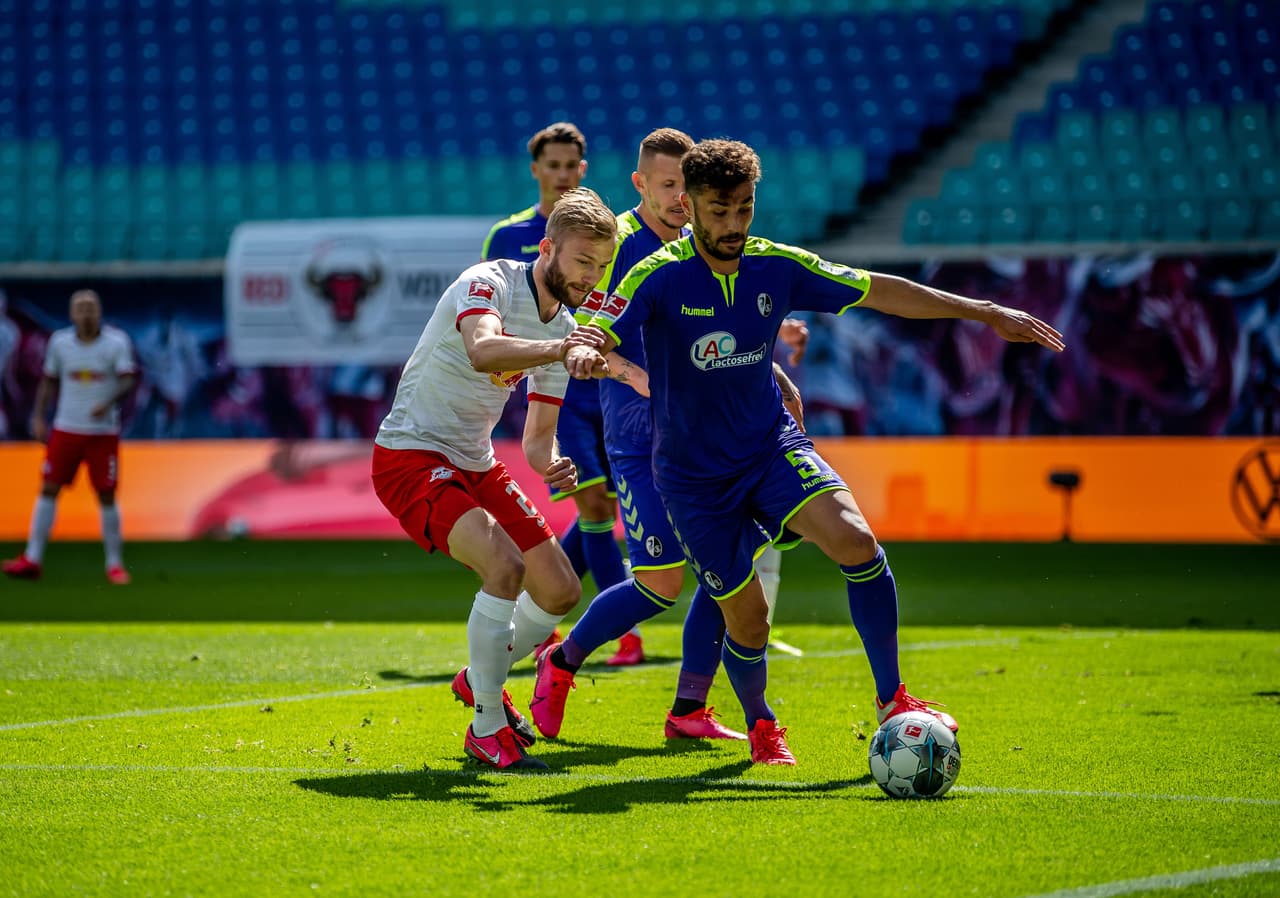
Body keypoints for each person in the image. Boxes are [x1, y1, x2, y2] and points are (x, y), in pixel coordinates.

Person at [565, 139, 1065, 764]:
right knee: (748, 620)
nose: (732, 226)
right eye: (718, 212)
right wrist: (585, 349)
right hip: (692, 479)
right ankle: (760, 721)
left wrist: (983, 311)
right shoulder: (655, 275)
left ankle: (894, 699)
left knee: (858, 543)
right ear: (689, 206)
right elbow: (598, 326)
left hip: (770, 447)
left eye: (744, 210)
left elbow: (879, 289)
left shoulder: (776, 265)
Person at [530, 128, 808, 743]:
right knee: (660, 583)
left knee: (728, 568)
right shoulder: (619, 245)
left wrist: (773, 370)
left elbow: (722, 334)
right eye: (669, 186)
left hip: (705, 436)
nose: (683, 197)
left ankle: (688, 710)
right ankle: (562, 660)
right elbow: (590, 340)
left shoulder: (698, 245)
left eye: (689, 186)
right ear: (641, 185)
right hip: (639, 437)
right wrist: (635, 374)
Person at [370, 187, 630, 771]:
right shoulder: (488, 281)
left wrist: (553, 462)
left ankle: (478, 677)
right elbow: (484, 351)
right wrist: (561, 349)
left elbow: (537, 441)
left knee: (561, 590)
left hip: (475, 459)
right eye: (583, 261)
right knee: (505, 568)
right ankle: (487, 726)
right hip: (409, 454)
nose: (593, 276)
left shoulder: (563, 323)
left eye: (602, 265)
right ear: (548, 248)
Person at [482, 121, 634, 665]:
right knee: (594, 501)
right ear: (537, 171)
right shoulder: (507, 238)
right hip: (557, 385)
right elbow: (488, 319)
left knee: (600, 509)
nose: (564, 174)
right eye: (554, 166)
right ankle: (623, 632)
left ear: (583, 170)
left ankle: (542, 602)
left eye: (572, 166)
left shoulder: (607, 236)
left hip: (605, 385)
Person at [3, 290, 138, 584]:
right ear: (72, 314)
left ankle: (114, 564)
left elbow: (128, 379)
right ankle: (32, 558)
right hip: (66, 428)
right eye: (81, 308)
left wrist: (108, 402)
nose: (86, 313)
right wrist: (38, 417)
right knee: (49, 488)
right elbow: (48, 382)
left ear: (99, 312)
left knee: (106, 494)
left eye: (91, 308)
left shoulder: (116, 343)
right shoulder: (60, 343)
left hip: (102, 433)